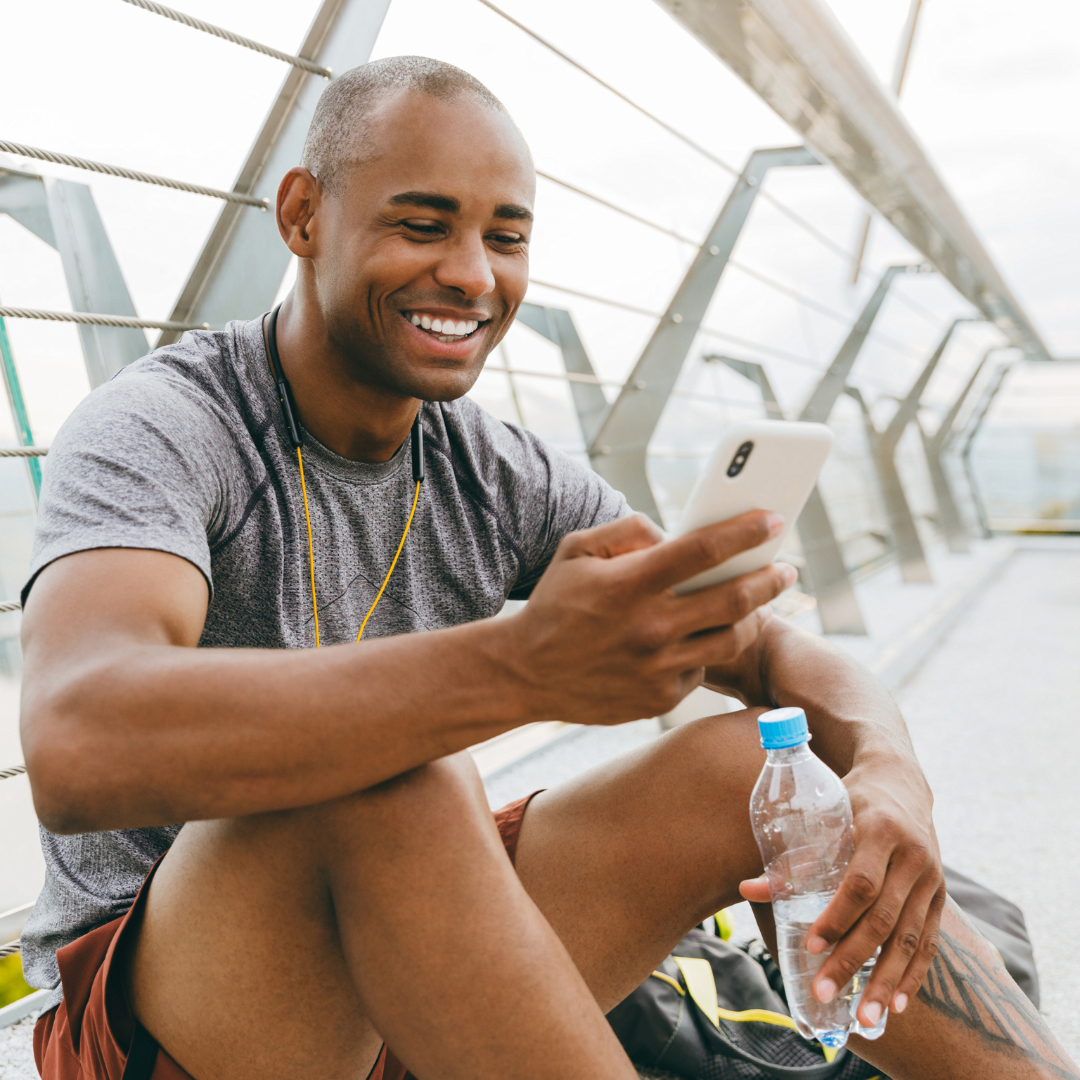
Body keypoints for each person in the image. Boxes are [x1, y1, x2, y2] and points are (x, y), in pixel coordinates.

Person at [17, 56, 1076, 1080]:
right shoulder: (168, 424)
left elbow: (775, 659)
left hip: (420, 964)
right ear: (302, 216)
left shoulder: (492, 467)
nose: (473, 275)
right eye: (422, 225)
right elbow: (74, 740)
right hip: (183, 1016)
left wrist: (895, 773)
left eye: (505, 237)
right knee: (392, 777)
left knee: (741, 764)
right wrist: (524, 666)